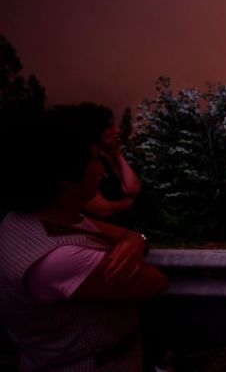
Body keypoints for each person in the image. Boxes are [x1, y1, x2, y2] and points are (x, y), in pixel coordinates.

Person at [0, 105, 168, 371]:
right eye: (93, 160)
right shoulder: (59, 259)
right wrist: (134, 241)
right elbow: (156, 282)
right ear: (65, 180)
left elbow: (130, 235)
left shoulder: (26, 220)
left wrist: (136, 240)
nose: (101, 170)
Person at [77, 103, 142, 223]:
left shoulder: (104, 159)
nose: (116, 130)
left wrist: (117, 154)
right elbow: (101, 209)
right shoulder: (79, 163)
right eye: (110, 127)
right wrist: (128, 202)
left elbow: (132, 188)